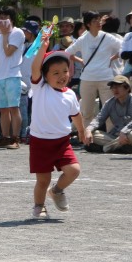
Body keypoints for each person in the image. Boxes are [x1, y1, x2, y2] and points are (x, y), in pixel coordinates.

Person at [28, 40, 87, 220]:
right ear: (45, 76)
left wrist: (82, 131)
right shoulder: (39, 87)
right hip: (40, 142)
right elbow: (35, 68)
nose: (62, 76)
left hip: (62, 142)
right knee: (43, 180)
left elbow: (76, 115)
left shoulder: (70, 94)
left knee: (74, 170)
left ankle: (56, 191)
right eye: (56, 73)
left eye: (65, 71)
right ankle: (39, 206)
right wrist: (43, 47)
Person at [65, 10, 122, 125]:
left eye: (99, 20)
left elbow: (124, 48)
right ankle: (87, 136)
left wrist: (112, 58)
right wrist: (81, 60)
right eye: (95, 20)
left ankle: (111, 136)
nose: (98, 22)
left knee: (110, 112)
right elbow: (67, 53)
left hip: (106, 78)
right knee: (86, 113)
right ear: (88, 24)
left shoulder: (107, 37)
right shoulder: (83, 39)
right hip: (87, 79)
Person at [0, 6, 25, 149]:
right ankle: (5, 137)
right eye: (1, 17)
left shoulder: (18, 33)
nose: (2, 20)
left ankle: (15, 139)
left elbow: (8, 52)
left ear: (12, 19)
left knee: (13, 107)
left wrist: (5, 35)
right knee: (3, 109)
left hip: (12, 75)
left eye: (6, 17)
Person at [83, 75, 132, 153]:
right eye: (113, 87)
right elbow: (99, 119)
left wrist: (124, 131)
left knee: (131, 134)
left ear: (127, 88)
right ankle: (120, 147)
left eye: (118, 87)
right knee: (93, 134)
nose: (115, 89)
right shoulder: (109, 103)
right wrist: (88, 130)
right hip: (117, 137)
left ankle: (105, 148)